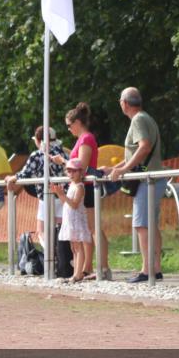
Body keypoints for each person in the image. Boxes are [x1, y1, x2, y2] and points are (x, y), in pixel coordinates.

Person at [107, 88, 165, 283]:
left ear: (124, 103)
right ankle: (155, 268)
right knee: (151, 224)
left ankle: (147, 269)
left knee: (141, 224)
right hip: (153, 178)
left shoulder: (138, 120)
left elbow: (144, 146)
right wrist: (114, 167)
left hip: (146, 181)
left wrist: (123, 171)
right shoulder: (146, 117)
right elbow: (137, 156)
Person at [53, 102, 111, 280]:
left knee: (93, 229)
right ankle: (88, 267)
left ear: (78, 122)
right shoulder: (83, 139)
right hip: (83, 189)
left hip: (86, 189)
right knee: (88, 229)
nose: (69, 129)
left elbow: (81, 166)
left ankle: (103, 268)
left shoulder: (86, 139)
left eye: (69, 126)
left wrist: (63, 161)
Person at [5, 126, 64, 249]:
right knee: (59, 233)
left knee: (42, 232)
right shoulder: (63, 154)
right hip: (62, 197)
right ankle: (60, 259)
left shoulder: (37, 155)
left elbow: (25, 174)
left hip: (46, 198)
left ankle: (50, 257)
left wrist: (12, 178)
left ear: (38, 140)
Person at [52, 159, 92, 283]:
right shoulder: (71, 186)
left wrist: (62, 195)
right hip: (70, 220)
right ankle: (76, 273)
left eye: (74, 171)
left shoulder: (80, 187)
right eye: (68, 171)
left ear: (80, 172)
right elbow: (66, 203)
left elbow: (74, 204)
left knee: (78, 247)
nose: (71, 174)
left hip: (76, 221)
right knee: (74, 248)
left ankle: (78, 273)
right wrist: (60, 195)